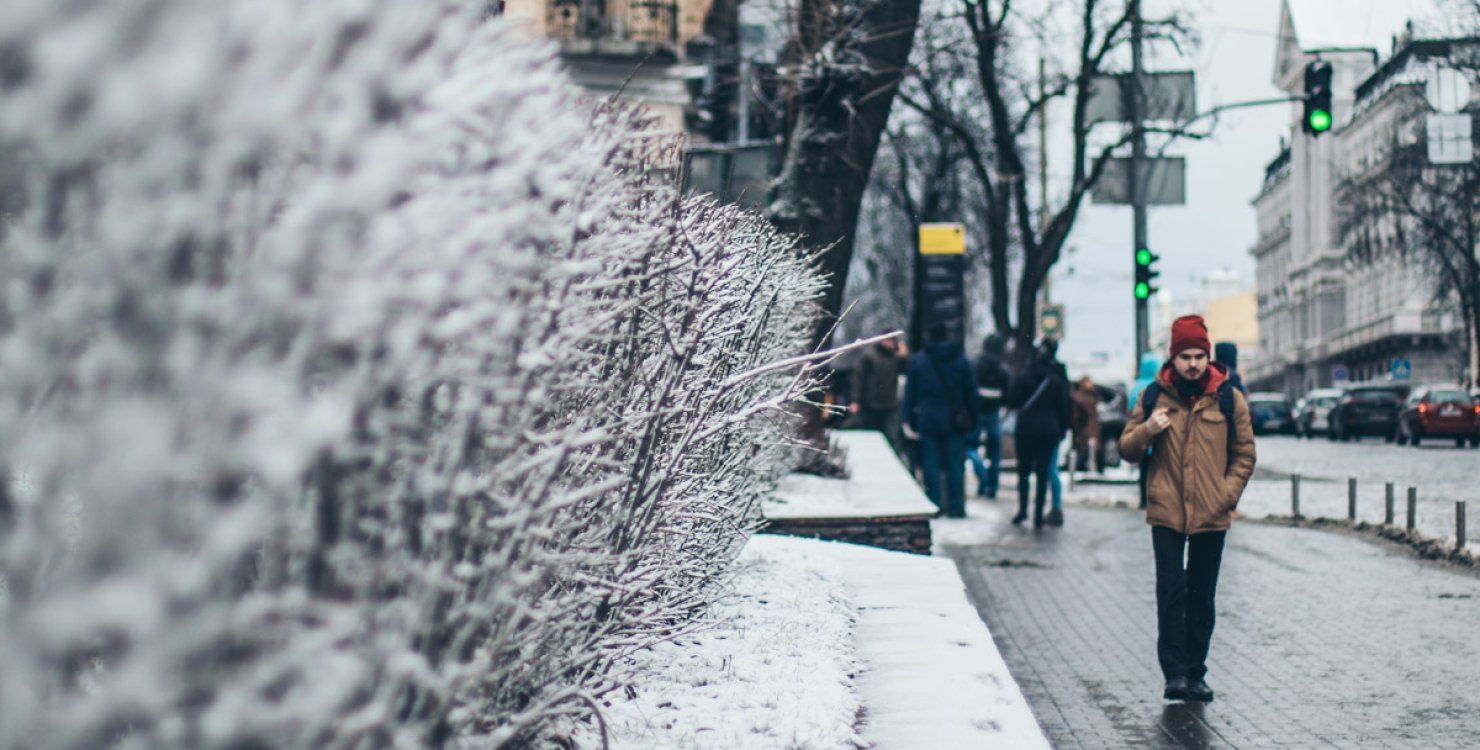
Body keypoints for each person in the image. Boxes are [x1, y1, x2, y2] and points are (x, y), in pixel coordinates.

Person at [1119, 315, 1257, 704]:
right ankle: (1174, 675)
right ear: (1173, 358)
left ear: (1208, 357)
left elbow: (1244, 454)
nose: (1193, 364)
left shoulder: (1229, 398)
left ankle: (1196, 673)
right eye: (1186, 356)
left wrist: (1225, 494)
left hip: (1211, 512)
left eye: (1199, 356)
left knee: (1201, 596)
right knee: (1170, 592)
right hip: (1167, 510)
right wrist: (1148, 430)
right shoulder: (1152, 396)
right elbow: (1126, 449)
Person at [902, 324, 979, 518]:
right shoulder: (960, 360)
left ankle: (934, 505)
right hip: (954, 419)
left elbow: (910, 394)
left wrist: (908, 419)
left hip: (928, 418)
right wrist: (974, 419)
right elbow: (971, 393)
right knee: (955, 464)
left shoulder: (920, 361)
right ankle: (957, 507)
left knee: (931, 464)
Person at [1005, 340, 1071, 528]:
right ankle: (1038, 514)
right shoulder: (1056, 379)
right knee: (1043, 473)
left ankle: (1022, 509)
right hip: (1049, 429)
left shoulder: (1024, 376)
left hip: (1026, 429)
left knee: (1024, 472)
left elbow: (1012, 400)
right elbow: (1064, 407)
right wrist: (1061, 430)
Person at [967, 333, 1011, 498]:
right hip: (994, 411)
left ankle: (982, 476)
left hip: (976, 411)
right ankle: (992, 485)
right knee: (994, 451)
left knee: (971, 446)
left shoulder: (975, 364)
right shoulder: (1002, 368)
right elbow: (1008, 393)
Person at [852, 336, 907, 451]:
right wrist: (856, 400)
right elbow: (859, 379)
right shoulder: (869, 356)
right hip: (871, 403)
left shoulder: (895, 357)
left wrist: (904, 355)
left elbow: (907, 368)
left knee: (890, 437)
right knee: (871, 436)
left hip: (889, 404)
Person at [1071, 376, 1102, 473]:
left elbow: (1076, 417)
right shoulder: (1090, 397)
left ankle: (1087, 467)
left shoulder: (1080, 397)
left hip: (1086, 427)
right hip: (1090, 427)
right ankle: (1092, 467)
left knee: (1083, 450)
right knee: (1089, 449)